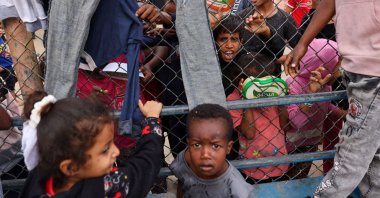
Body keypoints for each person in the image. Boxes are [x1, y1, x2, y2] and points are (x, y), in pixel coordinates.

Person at [284, 0, 380, 197]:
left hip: (373, 70)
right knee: (371, 150)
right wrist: (303, 42)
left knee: (352, 154)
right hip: (357, 66)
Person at [20, 91, 164, 197]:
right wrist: (152, 119)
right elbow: (144, 167)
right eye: (105, 149)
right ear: (71, 167)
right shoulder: (105, 187)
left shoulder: (37, 178)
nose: (116, 152)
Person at [285, 38, 345, 179]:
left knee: (300, 179)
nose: (339, 70)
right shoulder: (292, 83)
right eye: (336, 65)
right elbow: (297, 121)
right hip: (293, 144)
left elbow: (326, 106)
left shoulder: (326, 85)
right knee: (288, 179)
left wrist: (345, 114)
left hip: (311, 142)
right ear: (323, 65)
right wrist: (312, 95)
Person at [227, 52, 289, 183]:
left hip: (279, 162)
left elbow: (285, 126)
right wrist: (247, 100)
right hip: (251, 168)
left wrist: (282, 100)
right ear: (242, 81)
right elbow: (249, 133)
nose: (263, 86)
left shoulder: (273, 94)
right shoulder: (233, 99)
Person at [169, 103, 253, 198]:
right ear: (189, 145)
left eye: (215, 146)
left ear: (228, 147)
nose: (205, 154)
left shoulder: (236, 188)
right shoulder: (185, 160)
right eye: (197, 145)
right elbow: (182, 183)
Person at [238, 0, 301, 76]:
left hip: (271, 78)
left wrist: (288, 57)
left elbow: (300, 47)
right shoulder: (241, 16)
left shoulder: (285, 19)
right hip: (242, 78)